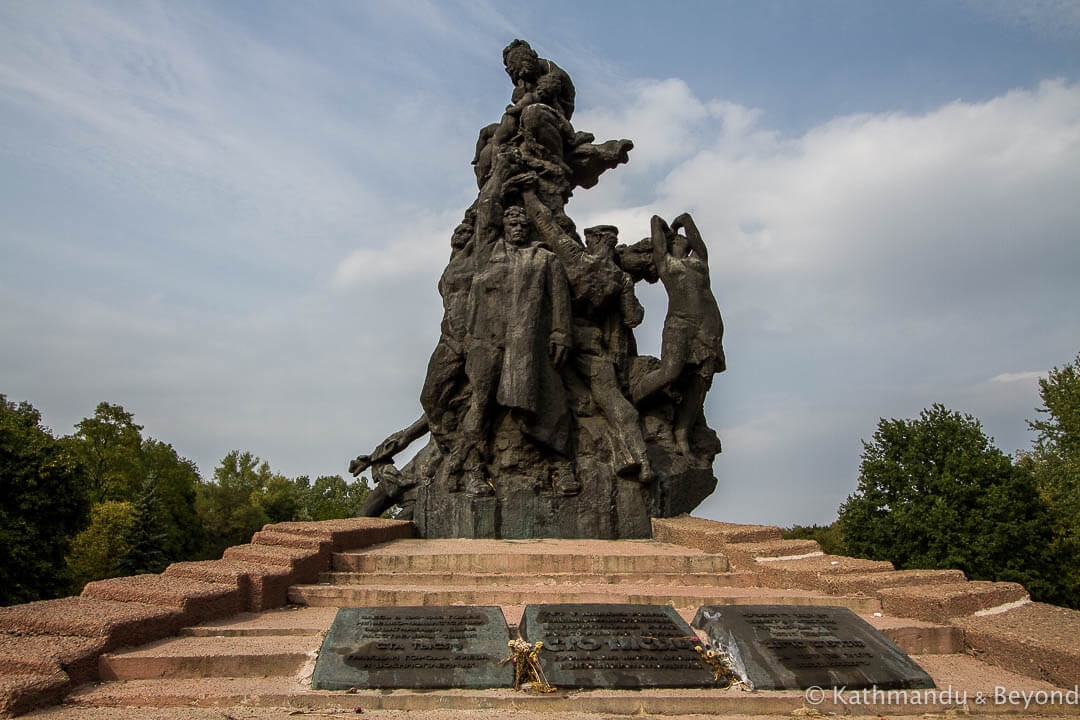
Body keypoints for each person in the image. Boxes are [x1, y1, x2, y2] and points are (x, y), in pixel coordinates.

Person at [521, 183, 654, 482]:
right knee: (609, 404)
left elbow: (545, 222)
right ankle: (637, 460)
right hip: (572, 343)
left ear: (591, 240)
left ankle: (637, 462)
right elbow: (634, 318)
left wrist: (529, 192)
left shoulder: (579, 259)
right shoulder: (618, 277)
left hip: (570, 345)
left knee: (613, 403)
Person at [459, 204, 577, 497]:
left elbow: (560, 299)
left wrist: (561, 333)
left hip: (528, 344)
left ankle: (562, 467)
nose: (519, 229)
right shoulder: (487, 256)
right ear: (503, 227)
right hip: (488, 343)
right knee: (480, 405)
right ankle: (473, 470)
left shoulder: (544, 259)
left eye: (524, 226)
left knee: (552, 401)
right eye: (513, 225)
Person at [632, 213, 725, 456]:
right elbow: (655, 227)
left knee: (700, 382)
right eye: (675, 239)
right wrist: (661, 224)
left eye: (684, 238)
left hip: (708, 326)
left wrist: (684, 220)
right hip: (680, 323)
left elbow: (698, 243)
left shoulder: (699, 262)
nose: (682, 239)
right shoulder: (666, 264)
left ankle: (682, 434)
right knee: (672, 371)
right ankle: (633, 396)